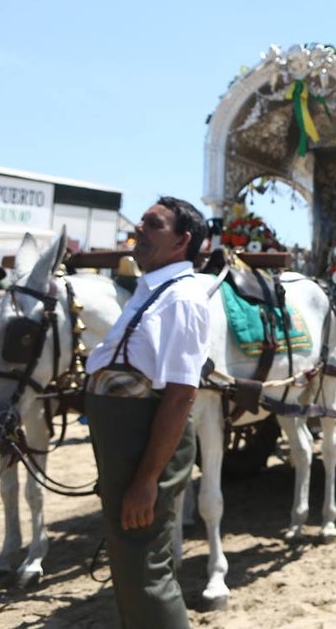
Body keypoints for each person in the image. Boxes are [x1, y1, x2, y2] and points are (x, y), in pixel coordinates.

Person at [84, 197, 211, 628]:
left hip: (145, 448)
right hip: (126, 444)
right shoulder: (151, 291)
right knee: (128, 562)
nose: (138, 229)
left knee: (144, 568)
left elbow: (179, 396)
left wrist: (146, 480)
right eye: (140, 222)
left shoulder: (183, 298)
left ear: (182, 240)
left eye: (152, 225)